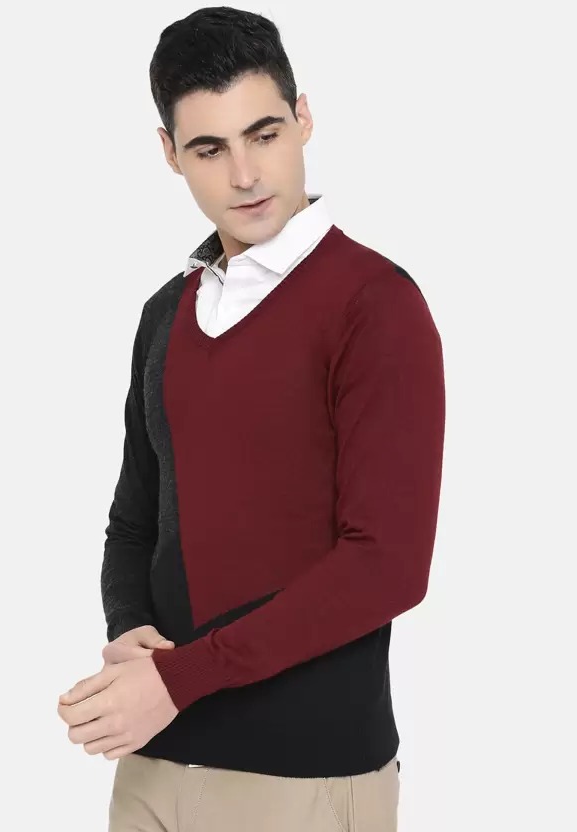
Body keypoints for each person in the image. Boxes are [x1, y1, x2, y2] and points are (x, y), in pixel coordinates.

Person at [56, 6, 446, 830]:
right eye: (209, 149)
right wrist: (130, 632)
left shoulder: (373, 305)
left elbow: (386, 567)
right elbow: (135, 522)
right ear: (169, 154)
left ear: (302, 117)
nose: (243, 175)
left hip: (301, 779)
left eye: (263, 134)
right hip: (151, 762)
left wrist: (177, 679)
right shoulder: (165, 313)